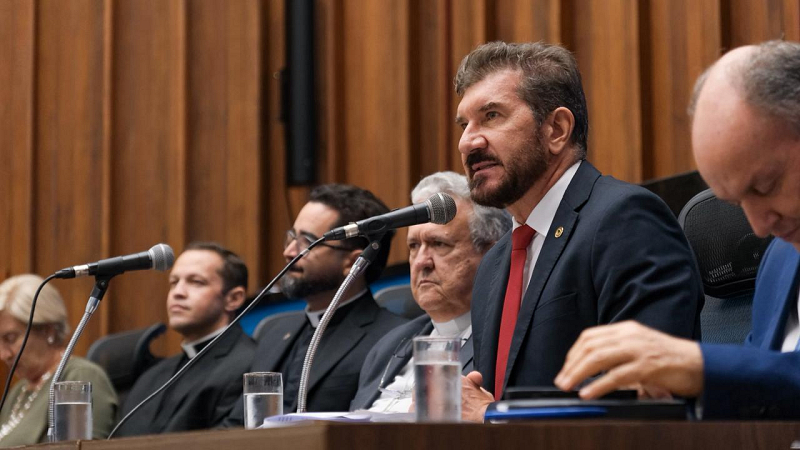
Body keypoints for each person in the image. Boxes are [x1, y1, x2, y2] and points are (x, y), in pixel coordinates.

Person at [453, 41, 705, 422]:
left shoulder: (625, 220)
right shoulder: (493, 266)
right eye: (464, 124)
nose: (468, 142)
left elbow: (644, 398)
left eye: (491, 116)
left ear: (556, 129)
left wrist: (493, 416)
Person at [555, 40, 800, 419]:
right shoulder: (779, 260)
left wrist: (702, 367)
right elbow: (763, 400)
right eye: (737, 203)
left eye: (765, 186)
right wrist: (673, 396)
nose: (758, 226)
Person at [227, 183, 408, 422]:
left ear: (352, 262)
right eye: (291, 237)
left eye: (307, 242)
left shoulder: (391, 339)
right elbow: (237, 425)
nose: (289, 252)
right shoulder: (273, 332)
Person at [350, 172, 511, 412]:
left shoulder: (505, 343)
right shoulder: (388, 346)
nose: (421, 262)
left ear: (491, 254)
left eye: (439, 244)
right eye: (414, 246)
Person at [114, 242, 255, 436]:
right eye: (174, 282)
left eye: (196, 282)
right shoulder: (151, 377)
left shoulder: (250, 365)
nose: (178, 292)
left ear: (234, 299)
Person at [0, 274, 117, 445]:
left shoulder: (80, 377)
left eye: (10, 338)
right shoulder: (18, 392)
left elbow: (82, 448)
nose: (4, 355)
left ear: (48, 331)